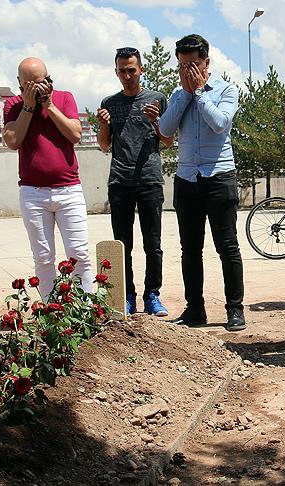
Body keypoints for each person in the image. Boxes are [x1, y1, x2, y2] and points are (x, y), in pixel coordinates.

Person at [155, 34, 246, 332]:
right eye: (182, 65)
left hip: (219, 177)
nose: (188, 71)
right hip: (186, 179)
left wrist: (198, 93)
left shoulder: (226, 89)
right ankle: (195, 309)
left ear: (207, 62)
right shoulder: (178, 93)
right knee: (190, 249)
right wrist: (183, 95)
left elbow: (220, 123)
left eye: (193, 64)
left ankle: (235, 309)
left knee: (227, 246)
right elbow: (165, 129)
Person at [3, 57, 93, 297]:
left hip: (69, 189)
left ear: (49, 79)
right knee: (43, 257)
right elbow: (12, 141)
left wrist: (49, 105)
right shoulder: (13, 105)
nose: (35, 89)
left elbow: (75, 135)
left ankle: (86, 308)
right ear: (20, 85)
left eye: (40, 82)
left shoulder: (64, 98)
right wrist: (29, 107)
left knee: (79, 253)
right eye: (28, 85)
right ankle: (51, 310)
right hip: (33, 192)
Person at [97, 47, 174, 316]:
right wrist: (103, 124)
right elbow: (105, 146)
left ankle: (152, 295)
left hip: (150, 180)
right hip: (119, 182)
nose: (127, 75)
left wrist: (156, 122)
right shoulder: (109, 103)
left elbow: (168, 140)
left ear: (141, 69)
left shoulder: (157, 99)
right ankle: (127, 296)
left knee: (153, 244)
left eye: (132, 69)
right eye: (122, 70)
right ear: (116, 72)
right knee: (122, 244)